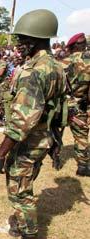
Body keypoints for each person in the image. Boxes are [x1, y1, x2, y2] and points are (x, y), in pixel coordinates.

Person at [0, 9, 66, 239]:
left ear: (34, 39)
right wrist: (56, 139)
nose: (19, 45)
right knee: (27, 182)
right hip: (43, 137)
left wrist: (1, 152)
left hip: (28, 140)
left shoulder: (35, 71)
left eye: (22, 39)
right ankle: (23, 225)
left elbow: (23, 120)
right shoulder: (56, 66)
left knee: (20, 190)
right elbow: (60, 107)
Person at [60, 33, 90, 176]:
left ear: (71, 47)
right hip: (80, 104)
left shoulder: (62, 62)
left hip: (62, 104)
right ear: (83, 45)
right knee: (81, 136)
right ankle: (83, 166)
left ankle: (53, 157)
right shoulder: (89, 61)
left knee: (51, 132)